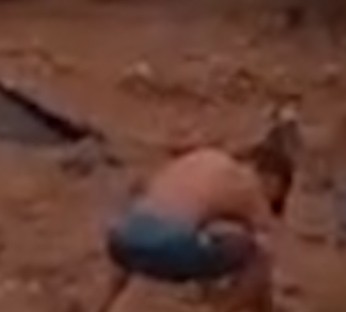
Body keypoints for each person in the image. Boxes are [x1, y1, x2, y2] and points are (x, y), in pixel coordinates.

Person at [88, 111, 298, 312]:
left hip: (122, 240)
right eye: (276, 197)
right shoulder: (248, 183)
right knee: (259, 254)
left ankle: (103, 306)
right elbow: (265, 245)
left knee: (152, 229)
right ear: (273, 180)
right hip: (170, 244)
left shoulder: (201, 160)